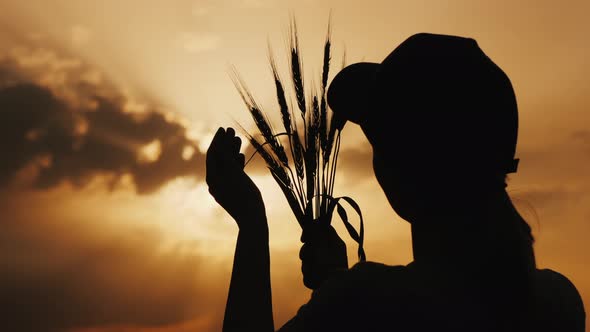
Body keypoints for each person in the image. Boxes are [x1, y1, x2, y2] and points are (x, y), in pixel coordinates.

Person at [206, 33, 586, 332]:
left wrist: (253, 224)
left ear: (399, 175)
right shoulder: (561, 303)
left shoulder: (360, 306)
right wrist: (334, 283)